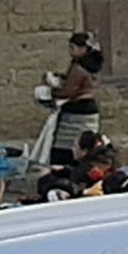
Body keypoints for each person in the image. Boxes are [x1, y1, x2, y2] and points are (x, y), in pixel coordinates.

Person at [36, 32, 105, 165]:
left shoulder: (78, 68)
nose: (70, 52)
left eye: (72, 48)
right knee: (84, 145)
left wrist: (50, 91)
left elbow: (68, 91)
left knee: (65, 148)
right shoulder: (93, 67)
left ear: (82, 49)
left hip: (76, 112)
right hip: (90, 111)